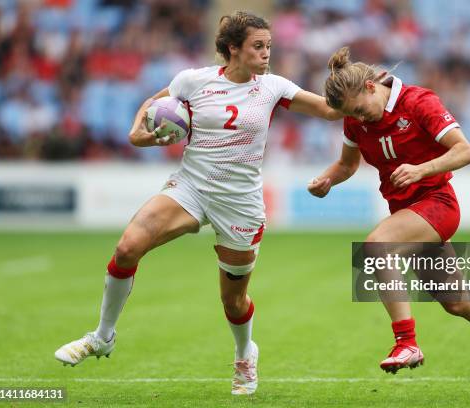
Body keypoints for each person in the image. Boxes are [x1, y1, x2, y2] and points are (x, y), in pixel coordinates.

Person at [54, 11, 341, 396]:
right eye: (258, 46)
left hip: (240, 204)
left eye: (269, 46)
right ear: (232, 49)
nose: (266, 53)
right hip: (190, 189)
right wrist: (138, 133)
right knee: (127, 249)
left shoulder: (274, 87)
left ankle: (244, 353)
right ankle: (103, 336)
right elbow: (151, 104)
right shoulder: (192, 81)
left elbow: (328, 110)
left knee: (233, 300)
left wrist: (361, 89)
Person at [307, 47, 470, 395]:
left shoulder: (418, 102)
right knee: (458, 302)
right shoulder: (355, 116)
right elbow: (347, 164)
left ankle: (406, 341)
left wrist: (422, 169)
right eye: (351, 115)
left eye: (360, 110)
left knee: (377, 246)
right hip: (406, 213)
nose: (360, 120)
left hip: (437, 204)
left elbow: (466, 151)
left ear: (372, 88)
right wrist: (328, 179)